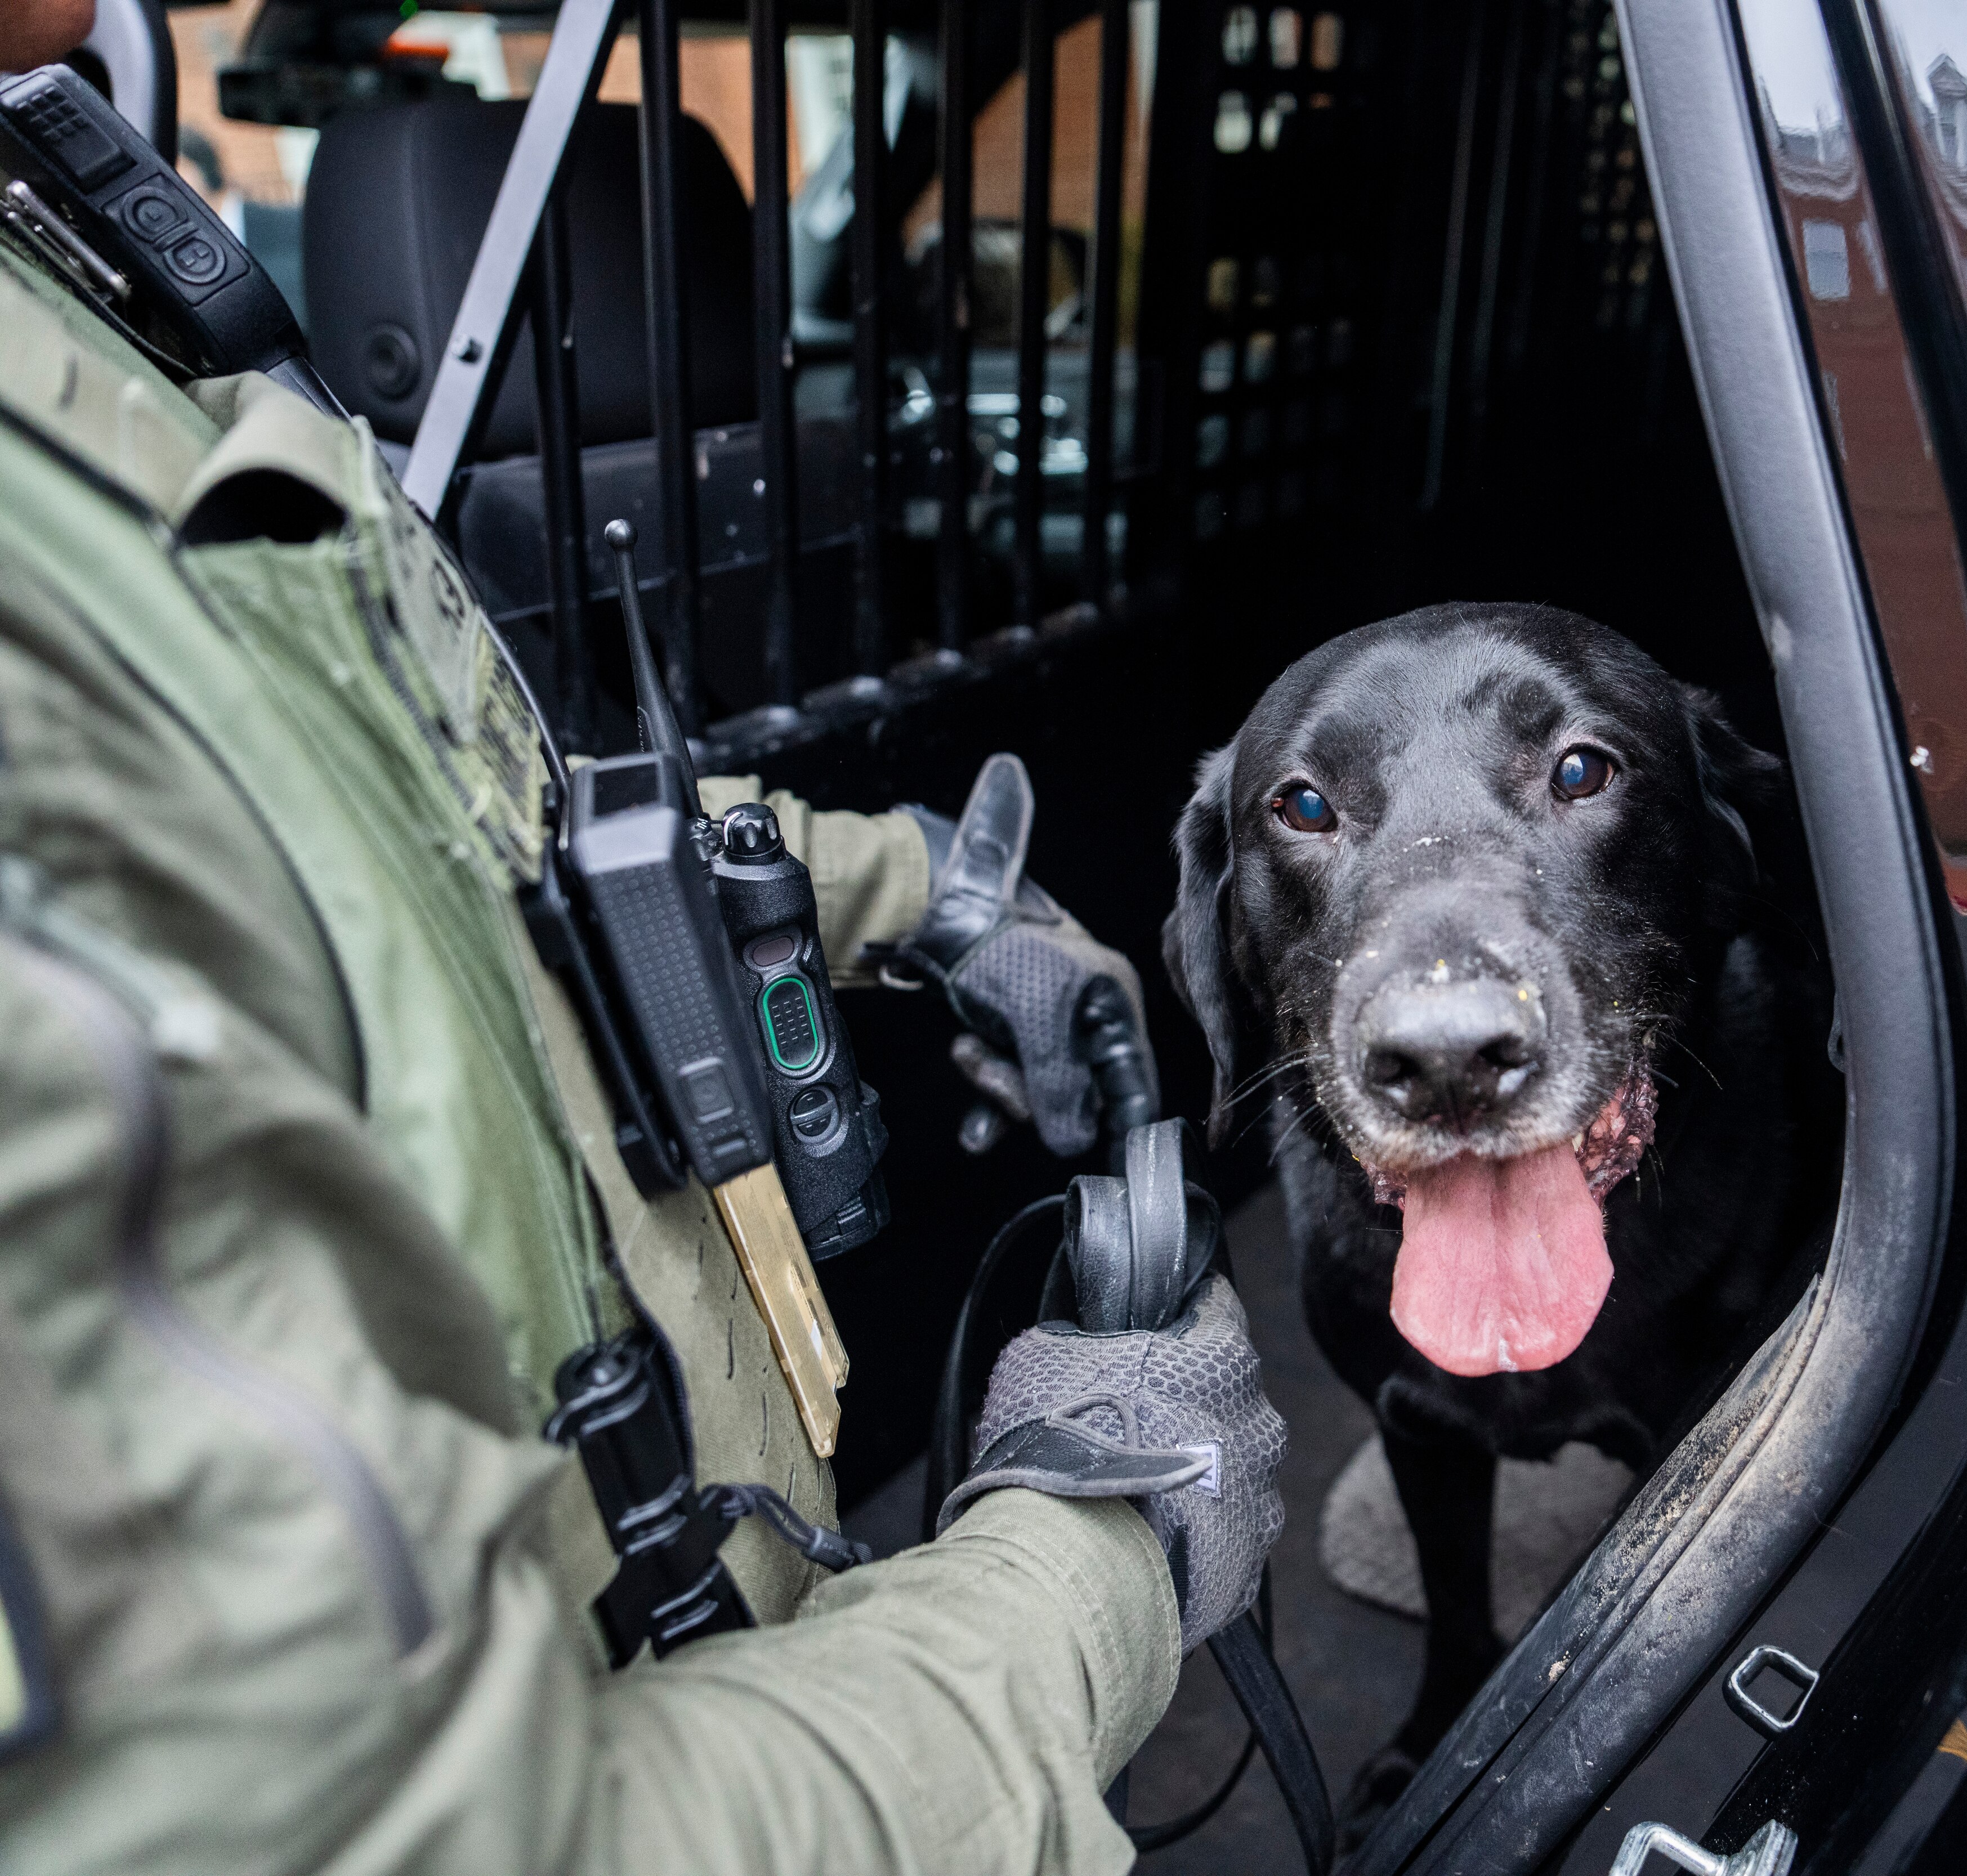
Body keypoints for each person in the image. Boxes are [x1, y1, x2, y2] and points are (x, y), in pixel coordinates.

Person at [0, 8, 1285, 1869]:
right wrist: (1097, 1558)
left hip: (746, 1603)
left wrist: (916, 886)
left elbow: (455, 828)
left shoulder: (74, 270)